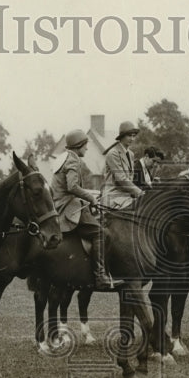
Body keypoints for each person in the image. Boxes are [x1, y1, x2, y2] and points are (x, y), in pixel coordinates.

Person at [53, 129, 117, 290]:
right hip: (69, 207)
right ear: (79, 145)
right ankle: (100, 276)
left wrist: (88, 199)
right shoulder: (73, 161)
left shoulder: (65, 158)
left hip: (65, 203)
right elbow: (72, 186)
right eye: (86, 145)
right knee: (101, 233)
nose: (87, 149)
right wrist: (90, 198)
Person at [101, 120, 145, 209]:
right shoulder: (113, 154)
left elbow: (130, 179)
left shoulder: (131, 154)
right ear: (121, 137)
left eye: (134, 136)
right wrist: (139, 192)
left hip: (126, 197)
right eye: (129, 136)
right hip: (113, 197)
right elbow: (121, 179)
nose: (132, 139)